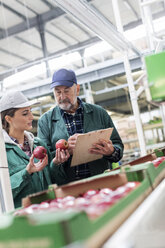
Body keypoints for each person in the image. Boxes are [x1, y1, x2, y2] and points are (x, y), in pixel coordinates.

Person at [38, 68, 124, 185]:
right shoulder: (45, 121)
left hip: (101, 181)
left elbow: (118, 147)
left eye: (67, 91)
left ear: (77, 89)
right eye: (58, 92)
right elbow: (43, 161)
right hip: (67, 187)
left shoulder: (99, 113)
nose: (62, 96)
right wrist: (64, 153)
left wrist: (111, 151)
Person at [0, 90, 70, 208]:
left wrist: (56, 164)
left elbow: (54, 181)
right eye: (25, 113)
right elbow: (3, 193)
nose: (31, 117)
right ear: (8, 119)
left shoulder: (38, 144)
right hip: (22, 218)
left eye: (30, 112)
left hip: (47, 210)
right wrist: (26, 172)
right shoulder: (2, 152)